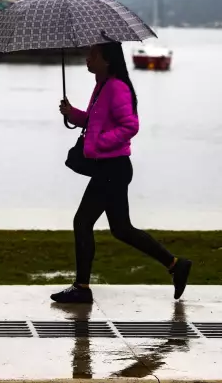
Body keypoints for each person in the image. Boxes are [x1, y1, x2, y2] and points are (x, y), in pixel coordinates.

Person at [52, 42, 192, 304]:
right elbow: (97, 122)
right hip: (111, 168)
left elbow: (130, 126)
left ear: (107, 60)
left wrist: (98, 144)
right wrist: (74, 114)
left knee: (83, 222)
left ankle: (82, 287)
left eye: (92, 54)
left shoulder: (116, 87)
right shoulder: (103, 85)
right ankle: (175, 264)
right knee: (121, 229)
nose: (87, 58)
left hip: (112, 167)